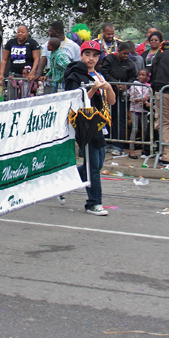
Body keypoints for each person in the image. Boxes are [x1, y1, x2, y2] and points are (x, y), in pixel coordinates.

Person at [62, 40, 116, 216]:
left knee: (98, 163)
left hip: (98, 124)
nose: (91, 58)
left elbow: (112, 101)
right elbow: (76, 103)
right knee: (93, 165)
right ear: (81, 55)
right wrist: (92, 90)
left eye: (95, 55)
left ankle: (63, 182)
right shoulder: (75, 75)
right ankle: (93, 203)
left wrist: (107, 87)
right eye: (87, 54)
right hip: (84, 125)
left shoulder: (98, 75)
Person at [101, 41, 136, 155]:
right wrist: (114, 82)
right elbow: (104, 72)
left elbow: (132, 76)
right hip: (108, 92)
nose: (126, 56)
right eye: (124, 54)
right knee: (107, 117)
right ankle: (108, 142)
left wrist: (126, 85)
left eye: (128, 54)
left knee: (119, 119)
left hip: (121, 95)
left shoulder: (130, 63)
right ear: (118, 51)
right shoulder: (110, 59)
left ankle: (118, 145)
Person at [0, 25, 41, 99]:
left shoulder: (32, 43)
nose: (20, 34)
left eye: (23, 32)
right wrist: (1, 74)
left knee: (26, 97)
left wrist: (33, 71)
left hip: (27, 76)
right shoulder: (11, 43)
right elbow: (4, 60)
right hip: (13, 75)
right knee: (11, 98)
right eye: (18, 32)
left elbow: (37, 58)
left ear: (27, 33)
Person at [128, 69, 151, 159]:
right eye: (140, 75)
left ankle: (144, 148)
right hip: (135, 110)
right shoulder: (134, 86)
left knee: (145, 129)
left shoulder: (149, 87)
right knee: (135, 129)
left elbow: (151, 96)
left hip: (144, 110)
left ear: (147, 77)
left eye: (143, 75)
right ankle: (131, 150)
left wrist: (147, 98)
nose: (141, 77)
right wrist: (142, 99)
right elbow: (132, 98)